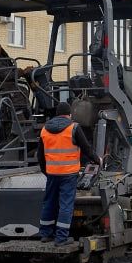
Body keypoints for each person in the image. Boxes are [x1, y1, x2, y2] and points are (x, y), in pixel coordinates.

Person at [37, 102, 100, 245]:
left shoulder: (45, 129)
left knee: (49, 203)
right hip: (68, 174)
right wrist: (97, 160)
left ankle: (46, 234)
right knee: (65, 205)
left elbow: (40, 156)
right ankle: (61, 238)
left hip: (52, 173)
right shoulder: (74, 127)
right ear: (69, 114)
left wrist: (45, 171)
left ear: (57, 114)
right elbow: (87, 149)